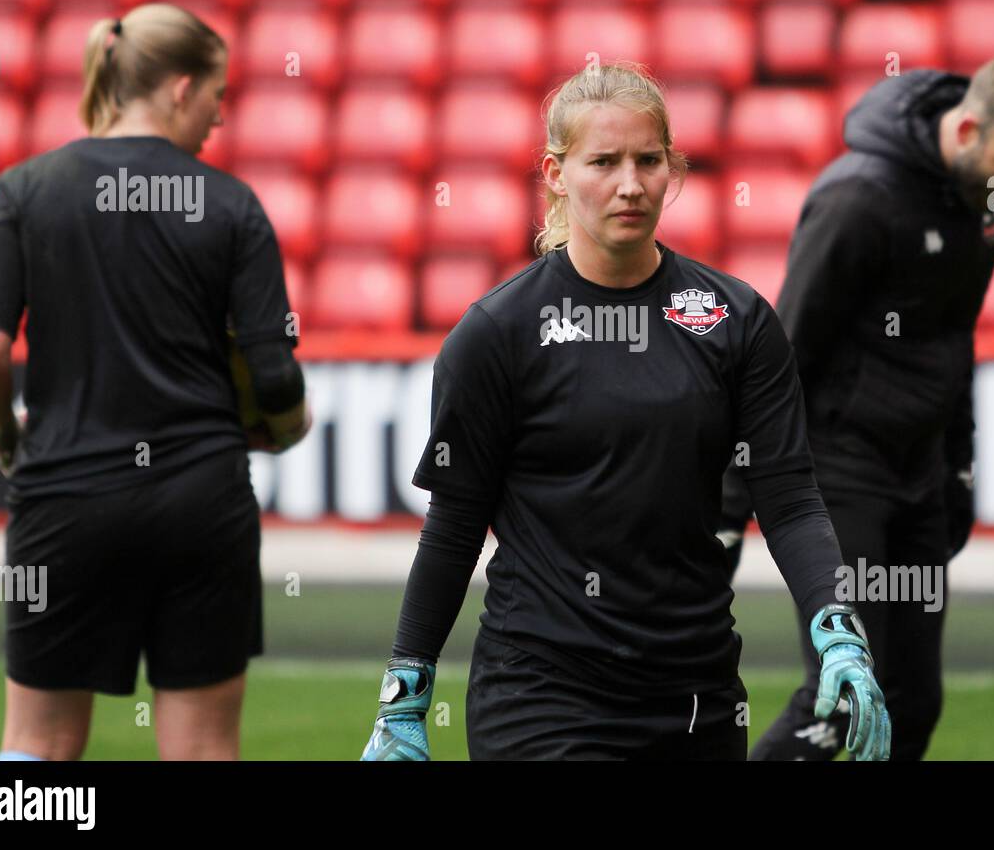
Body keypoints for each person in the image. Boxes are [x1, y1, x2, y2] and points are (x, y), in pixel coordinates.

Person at [360, 63, 891, 761]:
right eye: (603, 162)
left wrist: (836, 628)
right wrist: (405, 696)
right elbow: (455, 527)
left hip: (696, 694)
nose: (631, 184)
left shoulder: (737, 321)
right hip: (540, 695)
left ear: (674, 168)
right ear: (556, 173)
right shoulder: (497, 333)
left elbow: (789, 499)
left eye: (648, 160)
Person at [0, 3, 311, 761]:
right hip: (199, 501)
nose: (218, 118)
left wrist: (7, 439)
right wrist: (286, 428)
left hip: (62, 498)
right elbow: (275, 377)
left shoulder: (24, 190)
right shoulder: (233, 204)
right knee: (202, 750)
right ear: (182, 88)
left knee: (38, 748)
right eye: (216, 97)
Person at [717, 50, 994, 760]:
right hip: (837, 472)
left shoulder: (992, 195)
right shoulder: (858, 199)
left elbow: (953, 333)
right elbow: (782, 351)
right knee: (849, 695)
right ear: (969, 127)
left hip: (917, 473)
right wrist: (731, 501)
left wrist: (959, 464)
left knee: (913, 704)